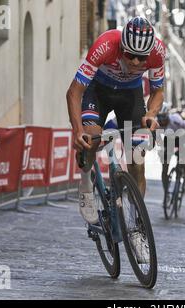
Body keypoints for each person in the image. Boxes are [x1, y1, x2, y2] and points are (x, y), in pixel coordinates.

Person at [66, 17, 166, 226]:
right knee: (91, 139)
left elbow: (158, 91)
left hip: (130, 94)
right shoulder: (105, 45)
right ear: (122, 46)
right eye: (130, 55)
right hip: (98, 91)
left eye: (141, 58)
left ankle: (138, 228)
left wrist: (151, 114)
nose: (136, 63)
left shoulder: (157, 52)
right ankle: (85, 185)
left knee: (137, 157)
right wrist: (77, 131)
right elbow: (74, 92)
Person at [157, 104, 185, 192]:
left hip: (182, 137)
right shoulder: (156, 122)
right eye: (159, 117)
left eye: (163, 117)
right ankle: (166, 191)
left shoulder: (175, 120)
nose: (161, 120)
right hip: (169, 139)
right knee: (164, 167)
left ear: (167, 115)